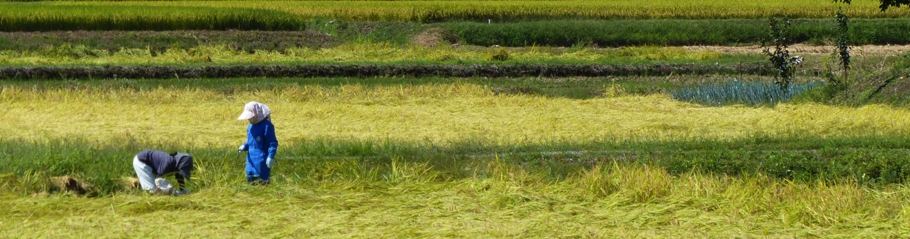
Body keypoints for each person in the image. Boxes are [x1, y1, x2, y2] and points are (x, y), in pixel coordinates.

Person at [237, 101, 279, 184]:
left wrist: (271, 156)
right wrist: (245, 146)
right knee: (250, 181)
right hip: (250, 160)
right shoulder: (250, 127)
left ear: (256, 114)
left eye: (250, 117)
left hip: (261, 160)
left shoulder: (267, 126)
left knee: (262, 183)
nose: (249, 119)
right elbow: (251, 142)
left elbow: (272, 143)